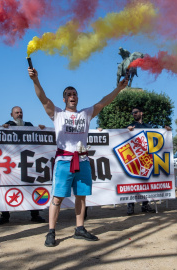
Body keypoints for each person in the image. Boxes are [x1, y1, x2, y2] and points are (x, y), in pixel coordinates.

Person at [28, 66, 128, 247]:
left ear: (77, 98)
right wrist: (35, 80)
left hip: (82, 160)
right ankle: (51, 232)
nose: (72, 96)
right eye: (69, 94)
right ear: (64, 99)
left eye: (74, 93)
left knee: (81, 196)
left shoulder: (86, 114)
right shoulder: (57, 113)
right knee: (57, 197)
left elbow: (104, 102)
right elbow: (43, 98)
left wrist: (119, 89)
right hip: (64, 161)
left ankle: (79, 229)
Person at [0, 106, 45, 225]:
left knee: (32, 186)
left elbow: (38, 136)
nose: (19, 114)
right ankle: (5, 215)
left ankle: (35, 214)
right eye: (16, 112)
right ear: (11, 115)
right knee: (6, 187)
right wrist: (4, 127)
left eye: (21, 112)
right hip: (11, 165)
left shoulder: (28, 124)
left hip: (26, 164)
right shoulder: (7, 125)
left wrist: (41, 128)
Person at [126, 106, 172, 215]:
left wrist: (166, 131)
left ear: (141, 113)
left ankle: (145, 205)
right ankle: (130, 206)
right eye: (132, 113)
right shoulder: (131, 126)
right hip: (134, 158)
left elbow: (157, 136)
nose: (134, 114)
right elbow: (122, 137)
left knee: (146, 182)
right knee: (132, 181)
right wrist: (127, 131)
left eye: (136, 112)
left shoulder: (148, 126)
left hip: (147, 158)